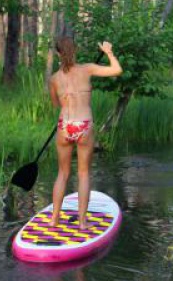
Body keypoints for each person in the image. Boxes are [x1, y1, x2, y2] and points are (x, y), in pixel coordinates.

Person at [49, 37, 122, 230]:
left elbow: (56, 104)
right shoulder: (87, 69)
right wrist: (108, 52)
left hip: (65, 125)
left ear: (58, 53)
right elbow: (116, 70)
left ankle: (54, 219)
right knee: (83, 174)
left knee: (63, 173)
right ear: (76, 50)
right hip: (84, 125)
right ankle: (82, 223)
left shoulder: (54, 79)